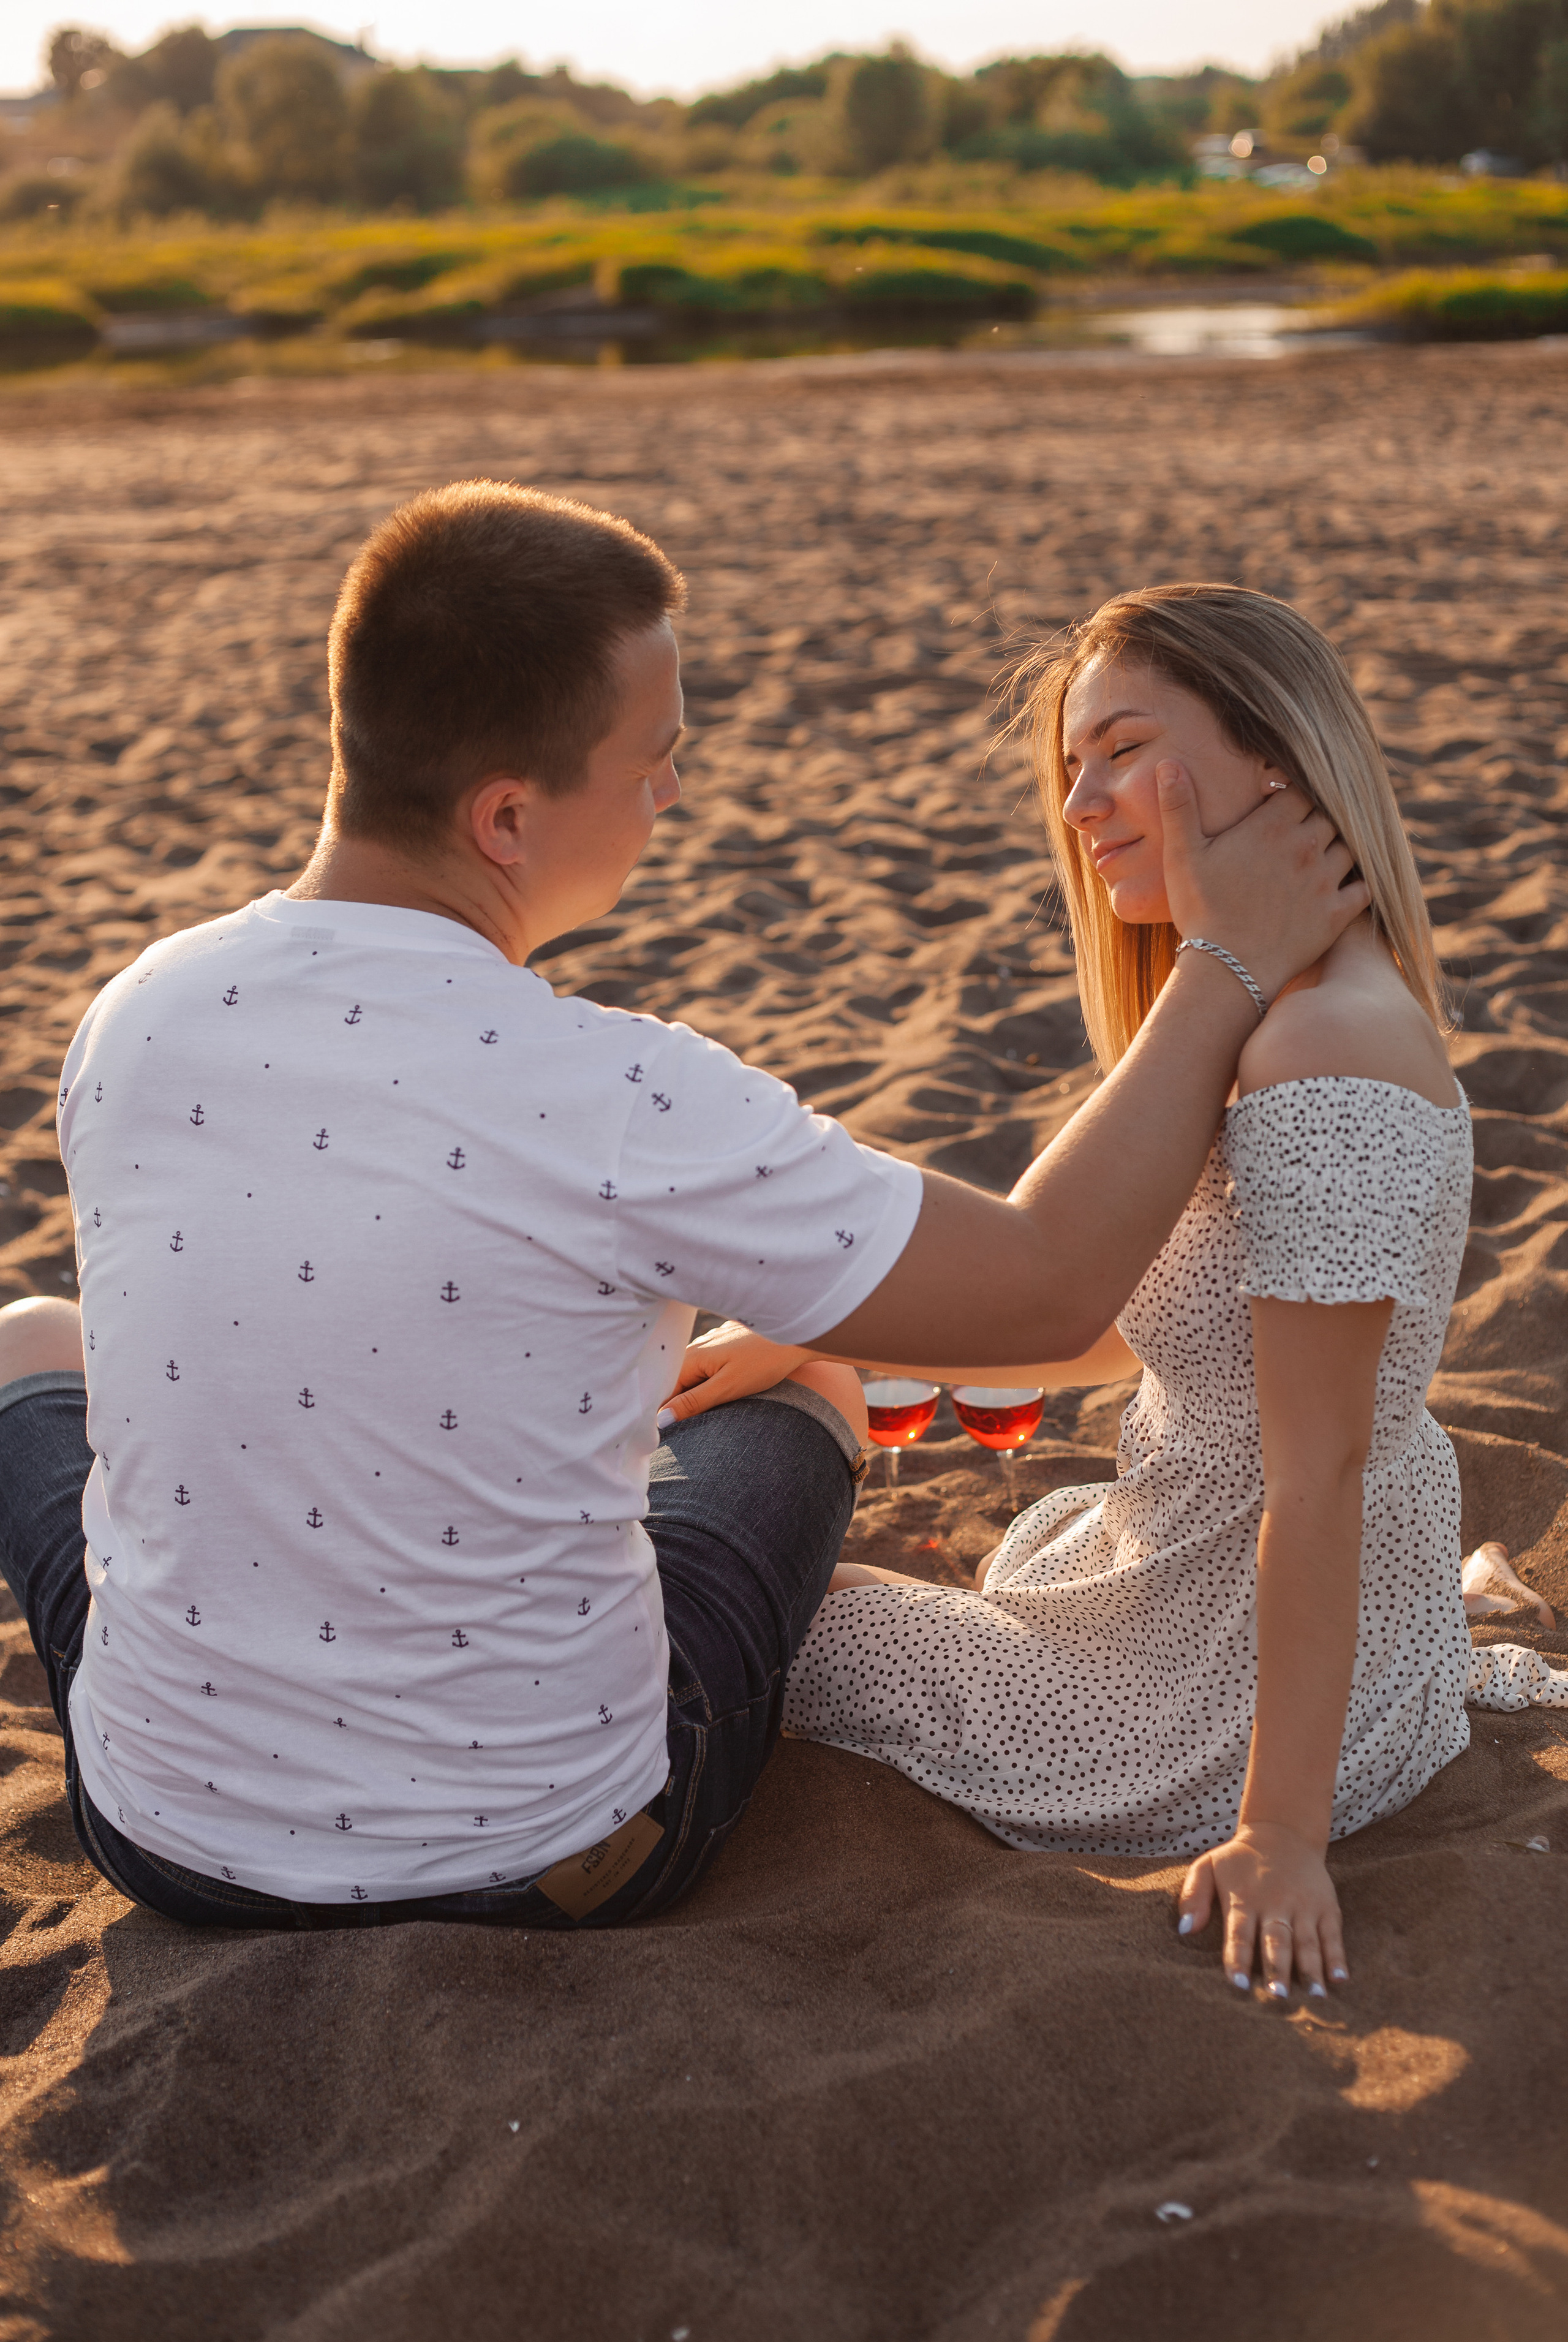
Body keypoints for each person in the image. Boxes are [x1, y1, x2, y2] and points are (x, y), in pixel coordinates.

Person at [0, 496, 1365, 1934]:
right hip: (552, 1850)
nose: (672, 798)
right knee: (812, 1376)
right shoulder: (615, 1090)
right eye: (654, 763)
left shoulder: (137, 1012)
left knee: (32, 1336)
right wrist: (1223, 963)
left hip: (165, 1838)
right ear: (507, 817)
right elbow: (1046, 1293)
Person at [669, 583, 1564, 1997]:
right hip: (1219, 1588)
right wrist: (807, 1331)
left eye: (1122, 750)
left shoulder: (1320, 1052)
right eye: (1070, 766)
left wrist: (1276, 1838)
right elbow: (1162, 1324)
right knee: (953, 1567)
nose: (1081, 803)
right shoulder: (1280, 1009)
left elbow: (1314, 1472)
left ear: (1273, 760)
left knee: (789, 1618)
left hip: (1209, 1694)